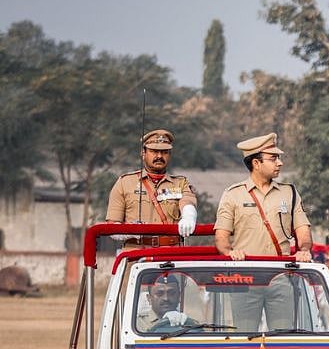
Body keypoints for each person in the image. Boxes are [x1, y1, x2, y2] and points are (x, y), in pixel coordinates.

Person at [214, 133, 314, 332]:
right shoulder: (233, 194)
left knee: (283, 337)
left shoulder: (289, 192)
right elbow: (221, 238)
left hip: (281, 277)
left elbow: (303, 233)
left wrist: (303, 249)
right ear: (256, 163)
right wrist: (230, 252)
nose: (280, 163)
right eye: (273, 158)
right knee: (244, 337)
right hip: (245, 278)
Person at [106, 129, 198, 249]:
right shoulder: (125, 183)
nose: (159, 156)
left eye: (164, 152)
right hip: (136, 255)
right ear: (143, 153)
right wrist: (129, 231)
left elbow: (188, 201)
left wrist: (189, 216)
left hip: (170, 254)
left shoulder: (180, 183)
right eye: (154, 151)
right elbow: (112, 226)